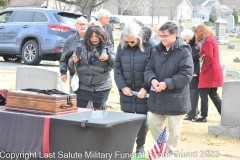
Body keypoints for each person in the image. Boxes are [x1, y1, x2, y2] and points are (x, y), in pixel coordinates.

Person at [144, 22, 193, 154]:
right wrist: (152, 80)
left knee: (174, 131)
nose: (162, 39)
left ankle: (172, 153)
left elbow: (186, 74)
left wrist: (167, 83)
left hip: (176, 98)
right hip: (157, 97)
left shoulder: (183, 51)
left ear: (175, 35)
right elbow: (149, 68)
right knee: (153, 121)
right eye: (160, 36)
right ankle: (162, 149)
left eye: (165, 36)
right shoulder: (157, 50)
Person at [114, 22, 155, 156]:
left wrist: (145, 88)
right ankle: (127, 147)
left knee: (143, 120)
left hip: (144, 91)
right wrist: (122, 86)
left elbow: (153, 69)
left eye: (132, 41)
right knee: (127, 120)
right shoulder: (122, 46)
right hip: (127, 91)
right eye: (127, 41)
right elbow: (117, 68)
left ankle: (140, 147)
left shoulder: (151, 46)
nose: (130, 43)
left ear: (139, 37)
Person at [68, 26, 115, 109]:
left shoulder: (108, 47)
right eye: (91, 37)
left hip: (101, 86)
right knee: (79, 110)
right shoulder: (81, 46)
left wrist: (108, 57)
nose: (94, 39)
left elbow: (116, 64)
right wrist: (73, 60)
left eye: (96, 36)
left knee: (99, 114)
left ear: (101, 36)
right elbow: (70, 63)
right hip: (83, 85)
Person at [193, 24, 223, 122]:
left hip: (209, 71)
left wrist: (202, 70)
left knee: (203, 93)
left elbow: (209, 57)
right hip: (212, 71)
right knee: (213, 94)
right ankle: (224, 114)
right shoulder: (211, 39)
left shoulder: (207, 41)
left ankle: (203, 116)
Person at [59, 17, 88, 93]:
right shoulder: (70, 40)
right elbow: (64, 59)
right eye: (80, 24)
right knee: (74, 97)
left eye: (85, 24)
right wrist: (63, 72)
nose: (83, 26)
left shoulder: (92, 39)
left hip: (89, 76)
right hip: (74, 74)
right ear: (76, 26)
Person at [181, 29, 200, 121]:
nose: (183, 42)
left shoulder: (196, 46)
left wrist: (196, 72)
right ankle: (193, 112)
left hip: (195, 73)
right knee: (190, 93)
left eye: (185, 40)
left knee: (193, 94)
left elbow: (198, 59)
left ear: (190, 38)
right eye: (182, 40)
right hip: (190, 73)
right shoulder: (189, 46)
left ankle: (193, 114)